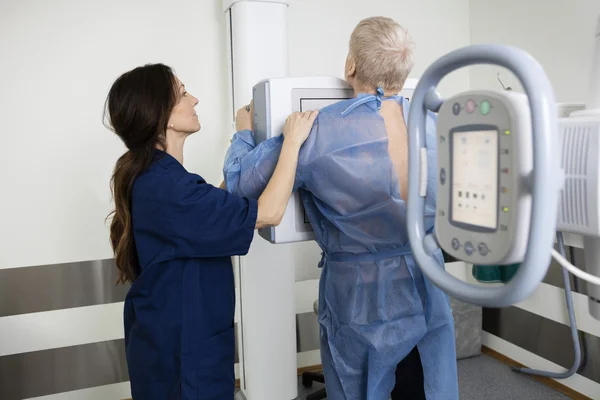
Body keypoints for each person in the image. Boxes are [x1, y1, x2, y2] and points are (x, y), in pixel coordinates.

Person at [223, 17, 459, 400]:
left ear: (351, 65)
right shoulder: (440, 126)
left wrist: (243, 130)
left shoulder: (318, 130)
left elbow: (240, 184)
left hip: (359, 296)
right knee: (425, 383)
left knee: (360, 387)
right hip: (426, 281)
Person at [104, 63, 318, 400]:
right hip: (184, 356)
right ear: (165, 117)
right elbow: (270, 213)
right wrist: (292, 142)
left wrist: (242, 139)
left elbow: (220, 202)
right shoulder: (168, 188)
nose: (195, 99)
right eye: (183, 93)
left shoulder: (162, 179)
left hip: (178, 341)